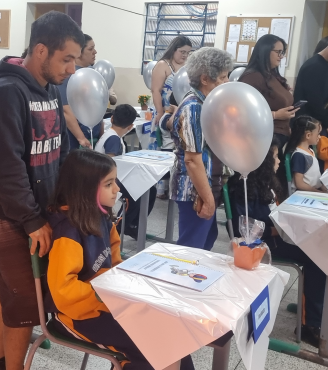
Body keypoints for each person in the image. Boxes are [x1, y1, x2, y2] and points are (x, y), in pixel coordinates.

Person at [0, 10, 82, 370]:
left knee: (11, 290)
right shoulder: (7, 93)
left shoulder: (49, 89)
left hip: (33, 210)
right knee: (24, 305)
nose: (72, 68)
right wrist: (32, 219)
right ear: (41, 50)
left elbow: (59, 148)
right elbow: (6, 167)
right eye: (66, 58)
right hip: (7, 217)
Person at [45, 149, 200, 370]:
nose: (117, 188)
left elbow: (115, 263)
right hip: (74, 315)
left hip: (108, 304)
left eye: (115, 181)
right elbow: (63, 291)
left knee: (170, 332)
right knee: (147, 351)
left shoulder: (101, 218)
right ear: (86, 189)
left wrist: (135, 279)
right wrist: (109, 295)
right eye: (109, 184)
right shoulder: (67, 232)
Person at [228, 139, 328, 352]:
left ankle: (321, 313)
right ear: (264, 161)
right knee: (317, 257)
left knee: (323, 248)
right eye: (275, 157)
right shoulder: (244, 186)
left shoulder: (267, 182)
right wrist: (283, 229)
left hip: (279, 236)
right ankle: (311, 324)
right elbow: (246, 231)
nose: (278, 161)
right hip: (264, 245)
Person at [170, 47, 232, 251]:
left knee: (206, 239)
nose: (227, 82)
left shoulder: (207, 103)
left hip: (205, 185)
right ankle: (180, 283)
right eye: (223, 77)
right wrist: (207, 198)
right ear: (205, 79)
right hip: (194, 190)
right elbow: (192, 160)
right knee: (191, 247)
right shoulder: (194, 107)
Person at [95, 104, 155, 240]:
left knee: (150, 189)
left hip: (112, 179)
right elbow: (109, 165)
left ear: (111, 119)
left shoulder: (110, 135)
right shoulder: (113, 140)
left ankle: (132, 225)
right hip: (109, 182)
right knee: (138, 193)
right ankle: (122, 226)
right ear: (130, 127)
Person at [239, 34, 298, 150]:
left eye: (282, 53)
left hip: (279, 136)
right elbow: (244, 113)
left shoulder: (272, 75)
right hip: (263, 137)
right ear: (265, 51)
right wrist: (276, 115)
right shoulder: (252, 77)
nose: (281, 57)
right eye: (278, 52)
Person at [58, 34, 104, 149]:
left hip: (94, 135)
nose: (95, 52)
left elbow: (99, 105)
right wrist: (81, 138)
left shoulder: (93, 73)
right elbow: (65, 110)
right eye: (90, 49)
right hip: (75, 139)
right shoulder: (68, 75)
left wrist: (101, 133)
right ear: (79, 52)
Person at [150, 35, 193, 144]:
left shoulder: (188, 67)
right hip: (165, 110)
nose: (185, 55)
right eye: (182, 52)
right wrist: (160, 112)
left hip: (181, 110)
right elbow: (156, 90)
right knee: (165, 143)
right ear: (174, 49)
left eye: (188, 53)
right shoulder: (163, 65)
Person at [285, 116, 328, 194]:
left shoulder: (310, 150)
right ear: (308, 135)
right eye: (318, 134)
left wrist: (324, 189)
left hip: (313, 191)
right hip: (304, 194)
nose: (319, 137)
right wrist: (318, 192)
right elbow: (299, 184)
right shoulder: (299, 155)